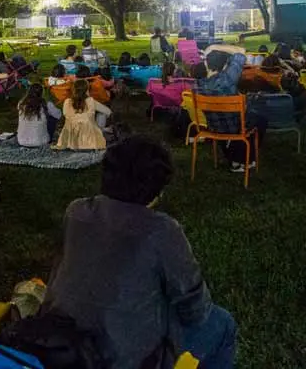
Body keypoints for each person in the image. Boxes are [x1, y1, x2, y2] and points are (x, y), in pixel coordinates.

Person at [44, 136, 237, 369]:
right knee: (222, 322)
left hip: (61, 342)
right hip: (119, 357)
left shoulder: (76, 211)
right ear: (157, 189)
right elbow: (194, 308)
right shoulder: (162, 230)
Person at [196, 44, 267, 172]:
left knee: (247, 115)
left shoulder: (198, 86)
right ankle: (245, 160)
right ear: (224, 66)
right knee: (260, 119)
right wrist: (214, 46)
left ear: (207, 64)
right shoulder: (228, 78)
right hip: (234, 126)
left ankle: (234, 153)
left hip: (213, 127)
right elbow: (241, 51)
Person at [55, 80, 107, 151]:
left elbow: (66, 115)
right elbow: (107, 111)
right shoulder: (90, 100)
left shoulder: (67, 101)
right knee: (101, 114)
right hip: (89, 139)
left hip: (70, 139)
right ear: (87, 90)